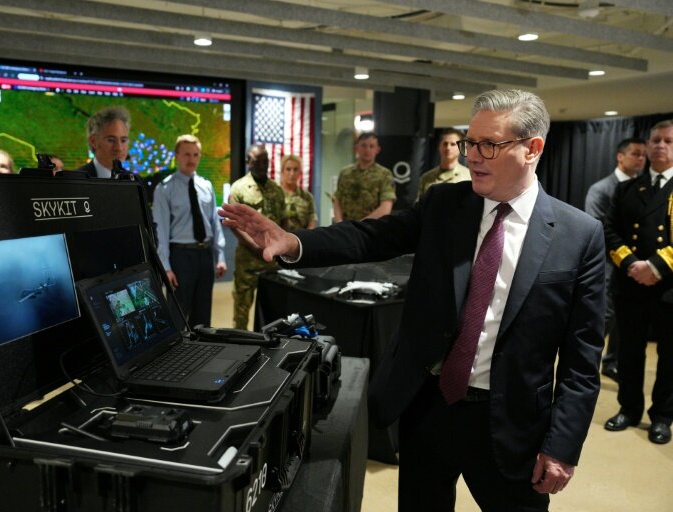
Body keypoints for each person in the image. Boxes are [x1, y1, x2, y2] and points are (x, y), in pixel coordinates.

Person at [220, 89, 605, 511]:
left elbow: (581, 361)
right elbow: (371, 236)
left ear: (533, 149)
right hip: (429, 407)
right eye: (468, 142)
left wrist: (563, 445)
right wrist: (293, 241)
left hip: (511, 424)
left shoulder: (579, 236)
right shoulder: (445, 204)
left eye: (488, 145)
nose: (472, 155)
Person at [604, 120, 673, 445]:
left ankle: (662, 417)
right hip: (630, 284)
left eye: (668, 141)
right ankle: (629, 409)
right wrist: (631, 263)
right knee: (629, 352)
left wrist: (657, 266)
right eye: (656, 140)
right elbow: (609, 230)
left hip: (669, 286)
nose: (661, 145)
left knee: (670, 357)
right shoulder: (628, 188)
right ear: (647, 146)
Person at [584, 138, 647, 381]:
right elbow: (596, 229)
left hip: (633, 266)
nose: (640, 159)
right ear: (620, 157)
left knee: (623, 317)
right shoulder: (602, 189)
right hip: (609, 264)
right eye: (635, 154)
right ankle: (589, 363)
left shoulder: (645, 188)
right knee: (604, 316)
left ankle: (611, 362)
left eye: (643, 154)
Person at [152, 134, 226, 328]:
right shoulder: (164, 189)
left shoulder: (206, 186)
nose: (191, 159)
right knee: (177, 314)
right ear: (176, 156)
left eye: (195, 154)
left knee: (203, 315)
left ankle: (202, 354)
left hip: (205, 254)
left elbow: (214, 223)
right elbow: (161, 231)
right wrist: (166, 267)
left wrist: (220, 256)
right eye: (186, 154)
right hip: (181, 257)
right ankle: (176, 356)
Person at [228, 144, 285, 329]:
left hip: (272, 262)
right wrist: (256, 248)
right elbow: (235, 225)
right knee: (242, 311)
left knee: (272, 310)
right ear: (247, 162)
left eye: (265, 161)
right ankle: (240, 349)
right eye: (256, 161)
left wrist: (280, 247)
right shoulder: (238, 188)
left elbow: (284, 221)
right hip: (248, 260)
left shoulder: (277, 190)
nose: (262, 165)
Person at [333, 132, 395, 222]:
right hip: (346, 228)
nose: (367, 150)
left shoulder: (385, 174)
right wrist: (339, 223)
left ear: (377, 150)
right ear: (356, 148)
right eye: (363, 145)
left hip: (372, 229)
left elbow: (385, 208)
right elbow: (337, 200)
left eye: (371, 146)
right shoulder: (345, 173)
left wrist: (360, 226)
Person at [416, 128, 470, 201]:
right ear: (439, 146)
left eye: (453, 144)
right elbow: (419, 206)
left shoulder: (469, 176)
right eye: (445, 144)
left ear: (460, 147)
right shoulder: (427, 178)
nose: (448, 148)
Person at [75, 106, 130, 178]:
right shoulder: (76, 180)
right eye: (111, 140)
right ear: (93, 141)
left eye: (123, 140)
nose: (118, 148)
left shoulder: (136, 182)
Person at [279, 154, 316, 230]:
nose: (292, 174)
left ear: (300, 173)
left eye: (295, 170)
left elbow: (312, 221)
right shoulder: (275, 194)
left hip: (301, 238)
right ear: (282, 172)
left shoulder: (307, 197)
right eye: (288, 169)